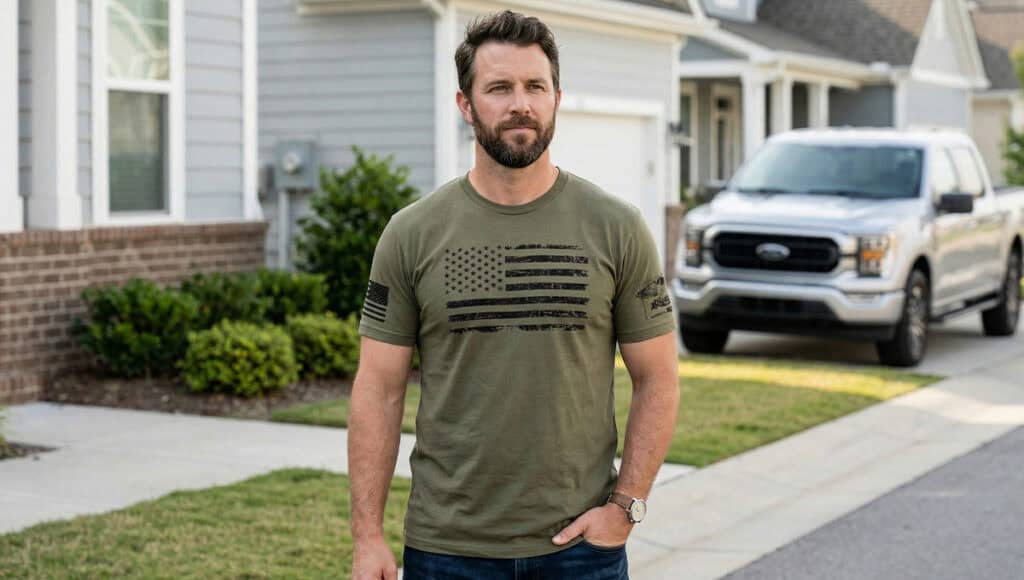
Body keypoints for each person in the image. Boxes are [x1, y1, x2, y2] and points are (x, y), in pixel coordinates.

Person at [349, 10, 679, 580]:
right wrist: (367, 537)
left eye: (535, 87)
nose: (520, 104)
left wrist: (626, 507)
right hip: (447, 550)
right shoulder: (412, 234)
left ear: (557, 99)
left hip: (580, 553)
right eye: (499, 88)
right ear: (465, 104)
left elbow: (659, 378)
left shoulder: (616, 228)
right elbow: (378, 389)